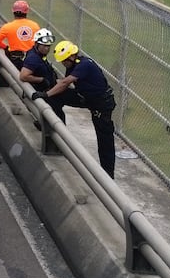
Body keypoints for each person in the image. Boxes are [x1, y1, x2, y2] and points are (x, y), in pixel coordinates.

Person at [33, 40, 118, 177]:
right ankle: (54, 126)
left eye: (64, 61)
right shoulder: (72, 65)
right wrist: (49, 94)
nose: (63, 64)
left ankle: (108, 173)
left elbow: (66, 82)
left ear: (72, 56)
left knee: (104, 138)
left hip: (101, 104)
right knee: (56, 96)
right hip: (86, 97)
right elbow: (64, 85)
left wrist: (46, 94)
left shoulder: (83, 65)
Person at [19, 28, 84, 123]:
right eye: (44, 46)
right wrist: (41, 80)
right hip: (45, 91)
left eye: (49, 46)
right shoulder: (33, 58)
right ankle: (54, 131)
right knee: (57, 114)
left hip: (50, 88)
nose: (47, 48)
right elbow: (23, 76)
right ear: (37, 44)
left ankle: (45, 125)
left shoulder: (39, 55)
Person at [0, 0, 41, 71]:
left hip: (15, 59)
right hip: (32, 58)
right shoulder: (35, 25)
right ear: (26, 12)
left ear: (13, 12)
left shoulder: (7, 27)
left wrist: (6, 47)